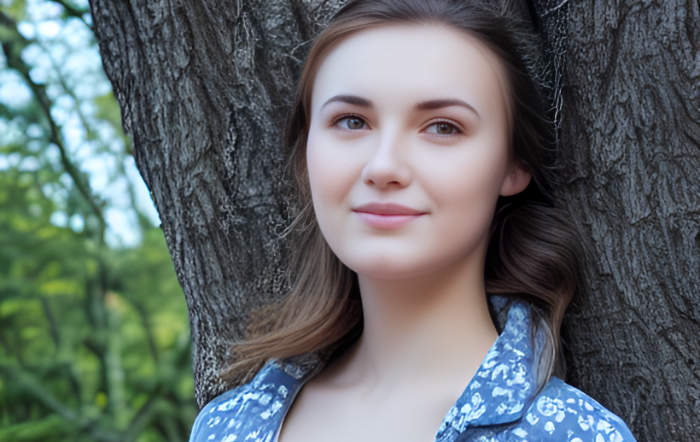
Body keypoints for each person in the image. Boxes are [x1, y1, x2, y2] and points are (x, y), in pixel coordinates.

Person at [189, 0, 637, 441]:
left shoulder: (573, 434)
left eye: (443, 126)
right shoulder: (226, 426)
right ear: (307, 155)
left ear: (513, 164)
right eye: (351, 121)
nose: (383, 167)